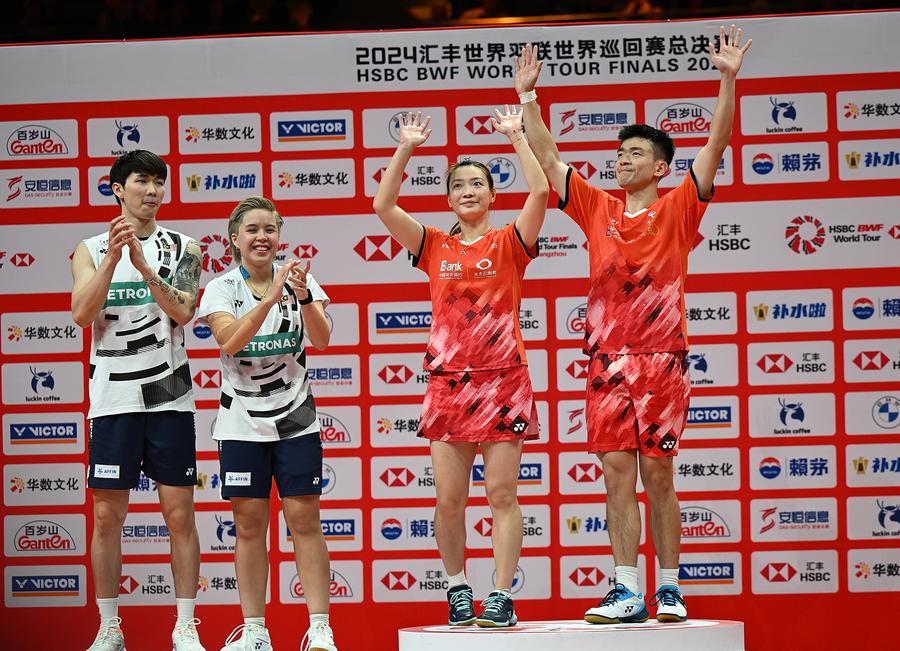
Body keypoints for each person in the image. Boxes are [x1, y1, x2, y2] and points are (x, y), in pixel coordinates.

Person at [513, 25, 752, 624]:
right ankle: (625, 590)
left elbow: (717, 142)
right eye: (619, 154)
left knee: (659, 474)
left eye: (635, 153)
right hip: (606, 363)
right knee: (617, 475)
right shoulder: (598, 207)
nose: (622, 160)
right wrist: (528, 98)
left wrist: (727, 80)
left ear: (661, 166)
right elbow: (549, 157)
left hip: (661, 361)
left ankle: (669, 589)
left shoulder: (680, 206)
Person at [373, 108, 548, 628]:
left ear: (492, 195)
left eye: (477, 184)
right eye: (458, 186)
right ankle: (456, 589)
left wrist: (517, 136)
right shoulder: (433, 244)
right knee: (449, 500)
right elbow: (383, 205)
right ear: (448, 200)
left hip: (504, 380)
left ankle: (501, 596)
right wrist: (406, 147)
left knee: (501, 496)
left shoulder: (511, 241)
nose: (468, 191)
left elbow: (541, 191)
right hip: (449, 383)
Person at [71, 150, 205, 651]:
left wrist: (144, 267)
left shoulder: (186, 247)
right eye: (142, 182)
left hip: (169, 395)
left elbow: (185, 312)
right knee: (107, 517)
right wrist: (112, 258)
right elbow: (82, 314)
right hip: (114, 397)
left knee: (180, 515)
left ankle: (185, 626)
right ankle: (109, 627)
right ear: (117, 189)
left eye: (159, 183)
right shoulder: (88, 249)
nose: (152, 191)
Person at [196, 196, 337, 651]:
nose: (262, 237)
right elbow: (231, 342)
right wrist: (272, 296)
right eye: (252, 230)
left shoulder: (301, 280)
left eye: (270, 229)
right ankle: (255, 631)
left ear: (279, 237)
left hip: (296, 418)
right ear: (234, 239)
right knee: (249, 526)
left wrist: (303, 295)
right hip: (241, 423)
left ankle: (320, 629)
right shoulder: (220, 288)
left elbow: (322, 338)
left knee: (304, 520)